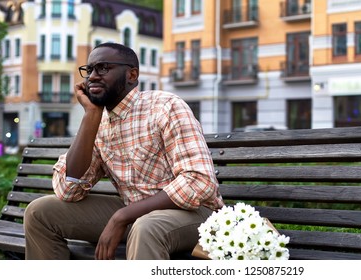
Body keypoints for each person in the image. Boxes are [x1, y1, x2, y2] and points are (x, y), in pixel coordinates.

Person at [24, 42, 224, 260]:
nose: (92, 76)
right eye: (89, 70)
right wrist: (91, 114)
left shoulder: (165, 106)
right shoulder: (98, 123)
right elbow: (68, 190)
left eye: (103, 68)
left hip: (195, 214)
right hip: (136, 214)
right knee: (40, 212)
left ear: (132, 74)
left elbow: (199, 181)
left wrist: (122, 216)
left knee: (147, 226)